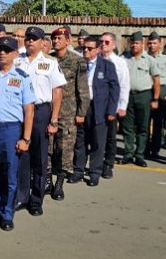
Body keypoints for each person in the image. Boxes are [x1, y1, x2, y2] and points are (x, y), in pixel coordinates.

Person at [0, 36, 34, 231]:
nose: (2, 53)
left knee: (10, 175)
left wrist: (25, 138)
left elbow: (29, 110)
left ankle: (7, 214)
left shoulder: (22, 77)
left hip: (10, 130)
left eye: (7, 50)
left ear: (15, 54)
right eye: (0, 49)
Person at [16, 26, 66, 216]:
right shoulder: (17, 60)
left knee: (39, 157)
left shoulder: (49, 63)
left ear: (42, 42)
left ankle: (36, 199)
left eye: (34, 38)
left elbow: (57, 92)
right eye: (28, 38)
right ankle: (21, 196)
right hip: (19, 111)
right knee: (21, 156)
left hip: (41, 111)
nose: (30, 41)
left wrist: (54, 119)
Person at [47, 27, 89, 200]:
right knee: (48, 147)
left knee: (65, 148)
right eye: (54, 38)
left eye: (59, 38)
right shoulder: (48, 60)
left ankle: (59, 184)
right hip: (48, 111)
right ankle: (48, 181)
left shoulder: (77, 61)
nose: (56, 41)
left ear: (68, 40)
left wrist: (81, 112)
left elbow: (83, 90)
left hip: (68, 111)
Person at [72, 37, 119, 186]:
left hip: (99, 108)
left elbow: (115, 89)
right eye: (84, 48)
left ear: (98, 50)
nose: (85, 50)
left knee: (98, 142)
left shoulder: (107, 66)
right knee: (80, 141)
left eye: (89, 48)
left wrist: (112, 110)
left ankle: (94, 172)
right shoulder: (79, 64)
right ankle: (78, 171)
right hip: (82, 108)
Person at [120, 31, 160, 167]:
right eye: (132, 43)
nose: (134, 45)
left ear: (142, 44)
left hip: (144, 95)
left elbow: (156, 80)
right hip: (127, 96)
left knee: (143, 127)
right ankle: (128, 153)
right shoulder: (123, 58)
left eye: (137, 43)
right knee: (127, 126)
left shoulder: (149, 60)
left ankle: (140, 155)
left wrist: (155, 99)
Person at [98, 32, 130, 179]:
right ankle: (96, 163)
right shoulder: (94, 59)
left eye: (106, 42)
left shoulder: (119, 62)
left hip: (111, 105)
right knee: (96, 136)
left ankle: (108, 164)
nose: (103, 44)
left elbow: (124, 85)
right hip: (96, 105)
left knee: (110, 137)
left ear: (114, 45)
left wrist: (122, 105)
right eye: (101, 42)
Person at [146, 32, 166, 158]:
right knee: (144, 121)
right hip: (146, 90)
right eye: (150, 43)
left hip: (162, 90)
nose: (151, 45)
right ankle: (144, 147)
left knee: (158, 122)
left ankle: (155, 148)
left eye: (154, 43)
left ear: (160, 44)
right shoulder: (144, 57)